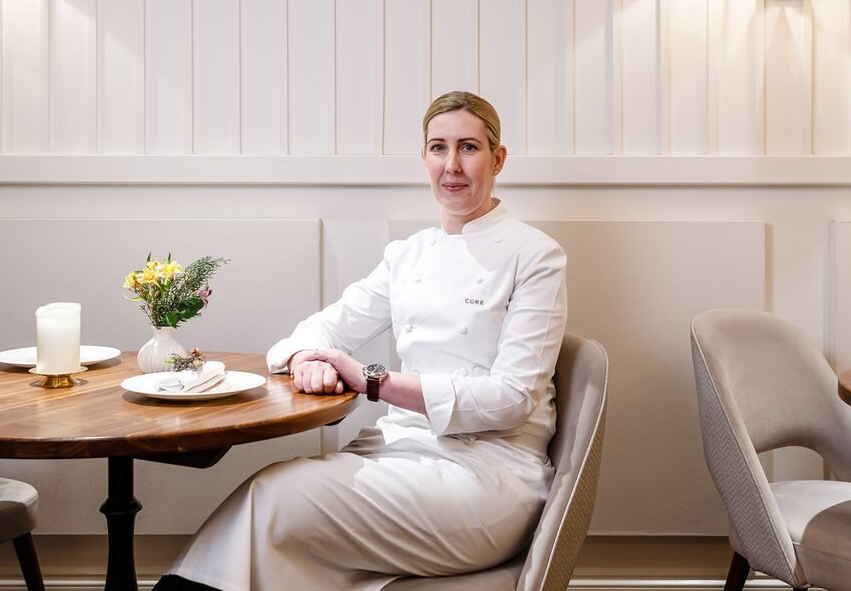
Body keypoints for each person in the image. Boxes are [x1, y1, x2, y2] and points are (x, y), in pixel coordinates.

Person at [156, 91, 568, 591]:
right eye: (438, 148)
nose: (452, 166)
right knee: (270, 494)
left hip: (489, 476)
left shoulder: (536, 255)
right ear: (424, 158)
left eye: (469, 147)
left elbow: (514, 398)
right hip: (398, 449)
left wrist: (372, 380)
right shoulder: (408, 255)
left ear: (497, 159)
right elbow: (319, 329)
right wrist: (307, 356)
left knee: (273, 496)